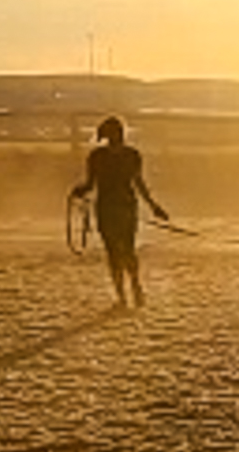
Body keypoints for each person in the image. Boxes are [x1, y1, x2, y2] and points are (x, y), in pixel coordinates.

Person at [72, 116, 169, 309]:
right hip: (127, 206)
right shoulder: (132, 155)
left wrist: (78, 191)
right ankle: (136, 287)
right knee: (128, 248)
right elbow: (139, 184)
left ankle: (122, 296)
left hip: (107, 207)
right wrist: (153, 206)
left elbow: (90, 186)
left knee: (113, 252)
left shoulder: (97, 157)